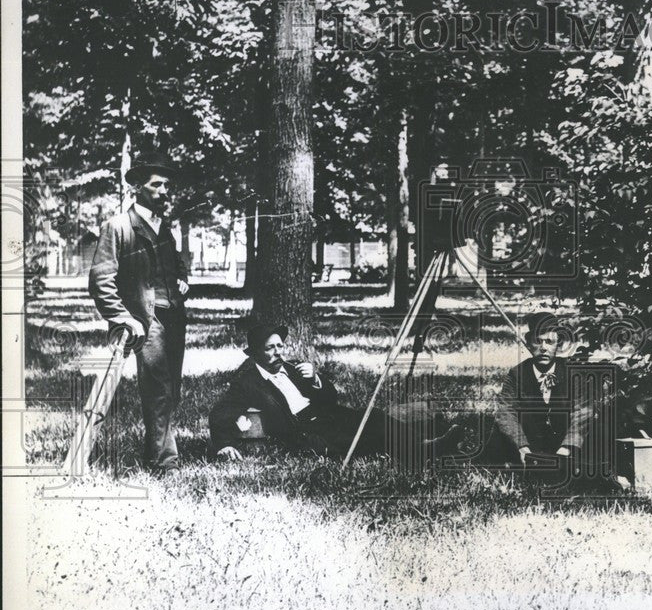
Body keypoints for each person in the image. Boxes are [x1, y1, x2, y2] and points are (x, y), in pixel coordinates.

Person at [210, 322, 457, 463]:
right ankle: (425, 448)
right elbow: (221, 412)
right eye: (269, 349)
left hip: (327, 414)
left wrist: (317, 379)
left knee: (372, 417)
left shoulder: (293, 368)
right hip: (305, 429)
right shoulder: (249, 382)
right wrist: (224, 445)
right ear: (255, 354)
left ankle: (429, 439)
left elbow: (331, 398)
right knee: (357, 441)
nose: (278, 352)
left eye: (280, 346)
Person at [89, 152, 189, 474]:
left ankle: (154, 455)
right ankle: (166, 464)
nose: (164, 191)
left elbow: (175, 264)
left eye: (167, 186)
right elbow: (101, 279)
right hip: (146, 321)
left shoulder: (165, 227)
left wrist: (183, 281)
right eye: (156, 185)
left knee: (171, 389)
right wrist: (122, 316)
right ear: (137, 188)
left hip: (174, 316)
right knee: (158, 389)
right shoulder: (118, 227)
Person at [494, 312, 602, 488]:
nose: (543, 348)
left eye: (549, 342)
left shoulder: (573, 372)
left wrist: (566, 448)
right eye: (538, 341)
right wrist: (522, 447)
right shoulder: (516, 374)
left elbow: (583, 411)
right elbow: (505, 412)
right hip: (531, 447)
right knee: (496, 435)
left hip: (564, 446)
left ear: (558, 345)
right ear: (528, 344)